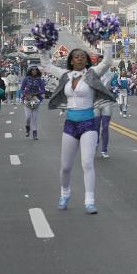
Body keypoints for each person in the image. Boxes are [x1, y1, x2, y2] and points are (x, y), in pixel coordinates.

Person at [41, 42, 115, 214]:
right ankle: (64, 194)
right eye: (76, 56)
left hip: (88, 123)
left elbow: (107, 62)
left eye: (83, 56)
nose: (80, 58)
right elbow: (46, 65)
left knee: (87, 163)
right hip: (70, 125)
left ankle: (90, 201)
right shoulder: (66, 75)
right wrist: (43, 49)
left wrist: (108, 42)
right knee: (65, 167)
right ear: (71, 61)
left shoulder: (92, 74)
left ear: (87, 60)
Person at [94, 54, 115, 158]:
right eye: (100, 61)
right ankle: (95, 145)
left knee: (105, 127)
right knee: (96, 127)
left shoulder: (111, 74)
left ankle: (104, 150)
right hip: (95, 103)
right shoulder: (92, 73)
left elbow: (114, 85)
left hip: (107, 102)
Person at [21, 66, 45, 140]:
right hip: (27, 99)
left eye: (35, 70)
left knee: (35, 117)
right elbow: (22, 89)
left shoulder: (39, 80)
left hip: (36, 99)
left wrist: (36, 94)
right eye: (33, 70)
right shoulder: (26, 79)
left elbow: (43, 90)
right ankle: (27, 127)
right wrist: (26, 95)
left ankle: (35, 133)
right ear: (30, 71)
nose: (34, 71)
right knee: (28, 117)